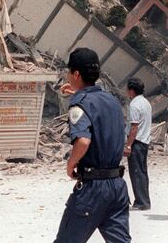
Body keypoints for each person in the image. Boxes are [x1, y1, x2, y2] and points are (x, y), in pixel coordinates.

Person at [53, 48, 130, 243]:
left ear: (76, 74)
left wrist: (71, 163)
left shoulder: (80, 103)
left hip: (93, 188)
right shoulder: (111, 100)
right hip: (117, 186)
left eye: (69, 72)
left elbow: (83, 140)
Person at [124, 78, 151, 211]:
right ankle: (143, 200)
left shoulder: (134, 105)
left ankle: (142, 202)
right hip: (144, 141)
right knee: (142, 171)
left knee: (136, 172)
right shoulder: (146, 102)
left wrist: (128, 145)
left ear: (131, 90)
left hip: (137, 142)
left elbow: (134, 127)